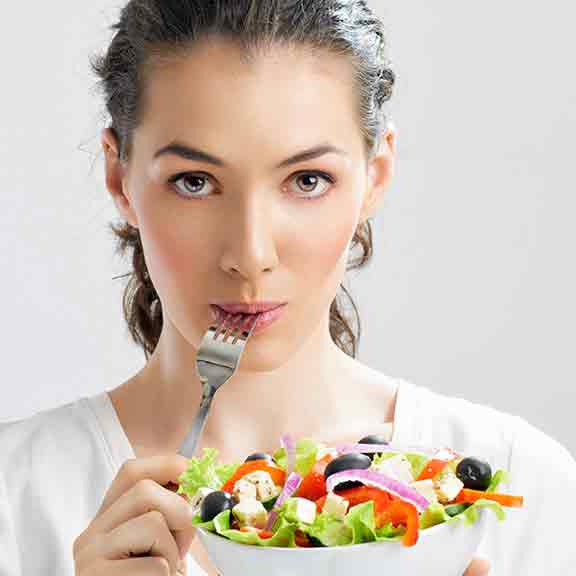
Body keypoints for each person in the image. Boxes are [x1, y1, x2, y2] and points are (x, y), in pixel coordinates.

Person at [1, 0, 575, 574]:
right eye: (195, 182)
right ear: (118, 176)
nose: (251, 255)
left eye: (307, 180)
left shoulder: (521, 489)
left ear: (375, 177)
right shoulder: (16, 496)